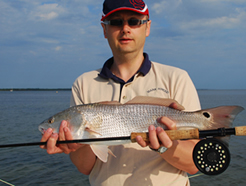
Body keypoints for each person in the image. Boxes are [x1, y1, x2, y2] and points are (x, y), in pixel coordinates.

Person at [40, 0, 201, 185]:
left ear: (147, 27)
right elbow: (85, 168)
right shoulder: (83, 83)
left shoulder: (177, 78)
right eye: (116, 22)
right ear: (104, 30)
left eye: (134, 21)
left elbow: (193, 164)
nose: (125, 28)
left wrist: (165, 147)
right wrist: (76, 144)